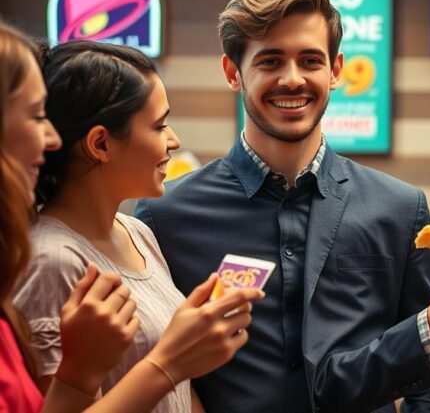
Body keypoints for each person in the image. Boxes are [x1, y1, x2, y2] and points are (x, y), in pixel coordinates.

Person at [135, 0, 430, 413]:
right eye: (270, 61)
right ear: (233, 72)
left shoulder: (399, 210)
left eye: (310, 60)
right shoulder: (165, 216)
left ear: (336, 70)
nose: (292, 79)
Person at [0, 21, 259, 412]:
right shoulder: (52, 260)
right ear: (101, 143)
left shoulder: (137, 231)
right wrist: (171, 360)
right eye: (159, 126)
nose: (173, 141)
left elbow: (180, 391)